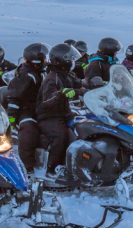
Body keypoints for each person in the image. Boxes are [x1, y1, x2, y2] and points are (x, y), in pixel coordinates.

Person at [36, 43, 82, 175]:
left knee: (83, 127)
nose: (73, 63)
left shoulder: (66, 74)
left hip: (64, 113)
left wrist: (97, 87)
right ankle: (52, 167)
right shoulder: (52, 78)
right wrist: (61, 93)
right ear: (62, 61)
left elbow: (79, 84)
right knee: (60, 135)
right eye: (71, 60)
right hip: (49, 116)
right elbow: (47, 100)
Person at [5, 43, 48, 173]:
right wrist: (11, 120)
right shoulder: (26, 75)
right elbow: (14, 98)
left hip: (37, 108)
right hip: (25, 110)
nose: (47, 61)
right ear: (36, 60)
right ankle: (26, 167)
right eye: (44, 58)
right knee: (29, 131)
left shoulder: (39, 72)